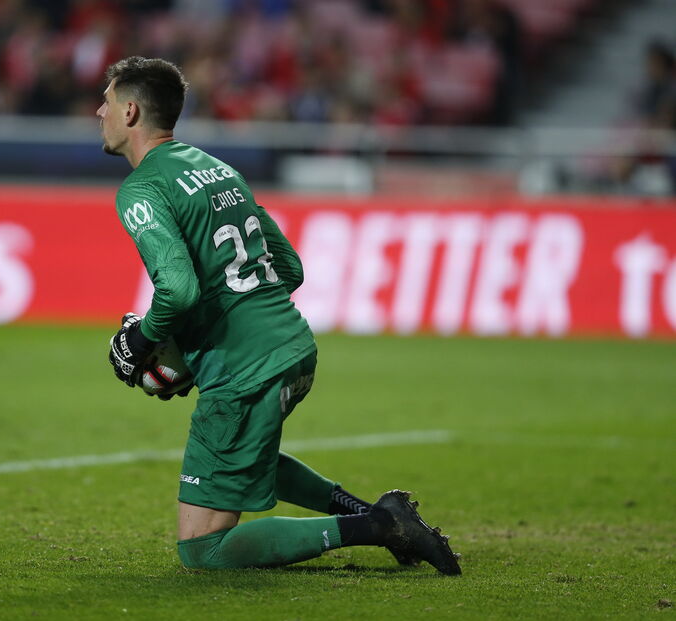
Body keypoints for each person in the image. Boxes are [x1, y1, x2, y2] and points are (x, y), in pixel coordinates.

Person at [101, 56, 460, 574]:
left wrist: (144, 341)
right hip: (293, 348)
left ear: (131, 110)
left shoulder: (141, 189)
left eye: (107, 102)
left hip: (245, 371)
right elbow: (288, 267)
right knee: (253, 458)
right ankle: (374, 513)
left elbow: (177, 292)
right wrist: (211, 336)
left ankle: (378, 527)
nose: (99, 111)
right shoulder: (218, 169)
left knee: (203, 550)